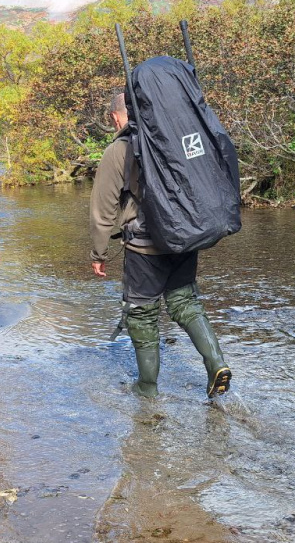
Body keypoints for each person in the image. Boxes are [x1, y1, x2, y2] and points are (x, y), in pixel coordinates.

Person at [89, 92, 232, 398]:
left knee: (142, 313)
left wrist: (98, 253)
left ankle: (147, 387)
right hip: (185, 237)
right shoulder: (177, 138)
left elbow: (103, 209)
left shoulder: (119, 150)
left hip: (144, 247)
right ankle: (216, 363)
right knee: (186, 302)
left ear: (116, 117)